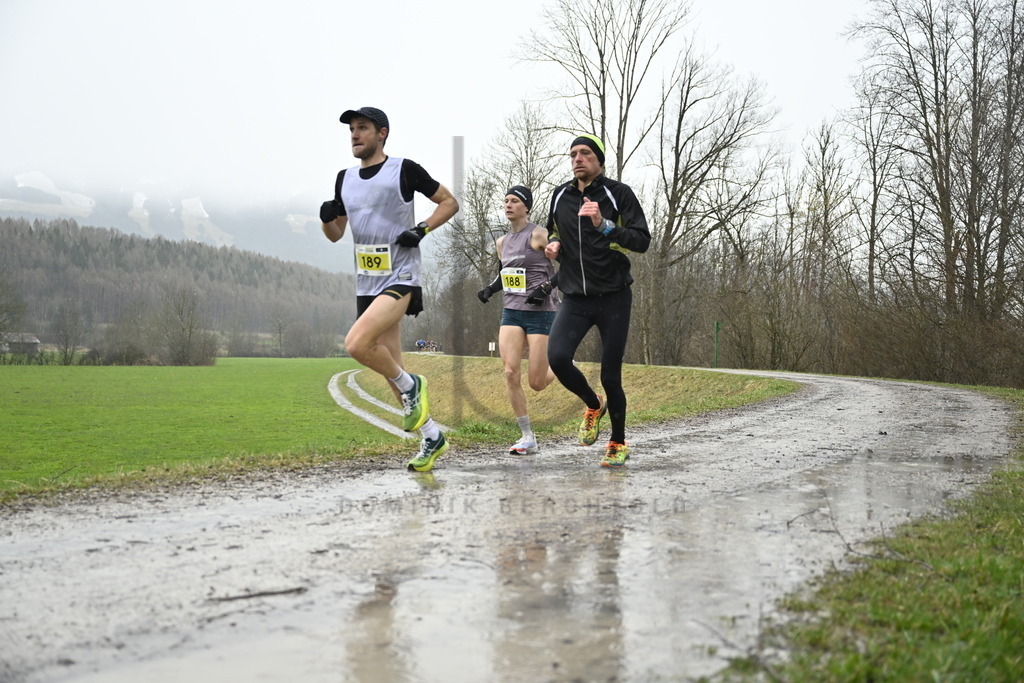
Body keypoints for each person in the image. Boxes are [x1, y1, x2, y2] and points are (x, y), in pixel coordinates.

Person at [320, 106, 459, 473]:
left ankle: (413, 385)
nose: (354, 135)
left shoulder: (404, 169)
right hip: (367, 281)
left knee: (356, 344)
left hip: (401, 276)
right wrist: (325, 219)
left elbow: (449, 202)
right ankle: (432, 436)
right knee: (392, 368)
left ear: (382, 133)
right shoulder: (345, 179)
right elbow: (335, 234)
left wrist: (421, 229)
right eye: (351, 129)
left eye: (362, 128)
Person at [543, 134, 650, 467]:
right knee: (558, 358)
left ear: (599, 160)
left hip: (614, 297)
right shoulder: (560, 195)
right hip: (575, 297)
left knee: (610, 375)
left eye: (585, 153)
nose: (577, 159)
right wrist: (554, 244)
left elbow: (641, 240)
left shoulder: (619, 194)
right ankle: (593, 404)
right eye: (573, 154)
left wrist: (604, 225)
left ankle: (617, 442)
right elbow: (553, 229)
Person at [477, 185, 560, 454]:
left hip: (541, 312)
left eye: (514, 201)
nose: (508, 205)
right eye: (506, 201)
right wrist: (490, 289)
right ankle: (527, 436)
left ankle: (562, 364)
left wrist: (547, 287)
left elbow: (570, 265)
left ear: (527, 207)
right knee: (510, 372)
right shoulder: (501, 243)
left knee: (537, 383)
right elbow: (506, 275)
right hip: (512, 312)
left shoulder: (539, 235)